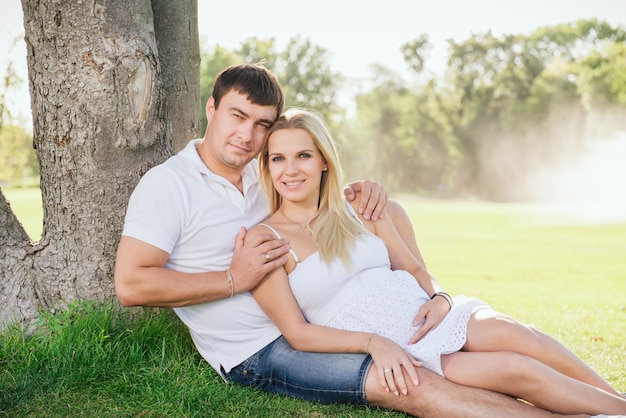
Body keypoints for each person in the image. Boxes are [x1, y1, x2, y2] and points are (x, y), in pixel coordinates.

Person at [114, 63, 597, 418]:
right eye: (237, 116)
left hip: (333, 313)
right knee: (413, 383)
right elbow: (132, 286)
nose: (248, 135)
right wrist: (232, 278)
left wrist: (371, 196)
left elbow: (311, 183)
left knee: (506, 348)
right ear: (211, 108)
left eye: (261, 124)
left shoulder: (264, 172)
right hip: (259, 347)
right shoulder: (169, 185)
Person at [247, 107, 626, 416]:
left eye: (303, 156)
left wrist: (441, 297)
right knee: (517, 368)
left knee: (516, 334)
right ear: (267, 166)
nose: (290, 170)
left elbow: (413, 269)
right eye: (278, 158)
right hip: (405, 344)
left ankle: (616, 403)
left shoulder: (360, 209)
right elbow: (297, 333)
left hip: (428, 313)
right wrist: (373, 342)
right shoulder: (267, 240)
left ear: (324, 162)